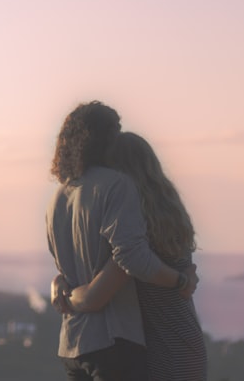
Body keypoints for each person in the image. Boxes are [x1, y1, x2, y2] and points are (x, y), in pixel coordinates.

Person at [47, 102, 198, 381]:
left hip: (75, 343)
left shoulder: (60, 196)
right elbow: (128, 262)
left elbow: (76, 270)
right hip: (119, 342)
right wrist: (181, 280)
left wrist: (62, 289)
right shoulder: (119, 190)